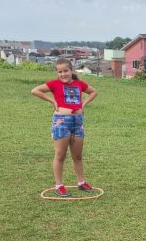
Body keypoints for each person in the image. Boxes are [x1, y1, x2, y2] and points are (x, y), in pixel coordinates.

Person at [30, 58, 98, 197]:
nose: (63, 74)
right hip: (62, 121)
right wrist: (52, 101)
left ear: (71, 70)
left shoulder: (79, 84)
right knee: (60, 155)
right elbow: (35, 90)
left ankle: (81, 182)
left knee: (77, 156)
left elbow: (93, 92)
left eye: (65, 71)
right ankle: (59, 185)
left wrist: (83, 105)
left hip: (78, 122)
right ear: (57, 73)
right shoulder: (54, 84)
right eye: (60, 72)